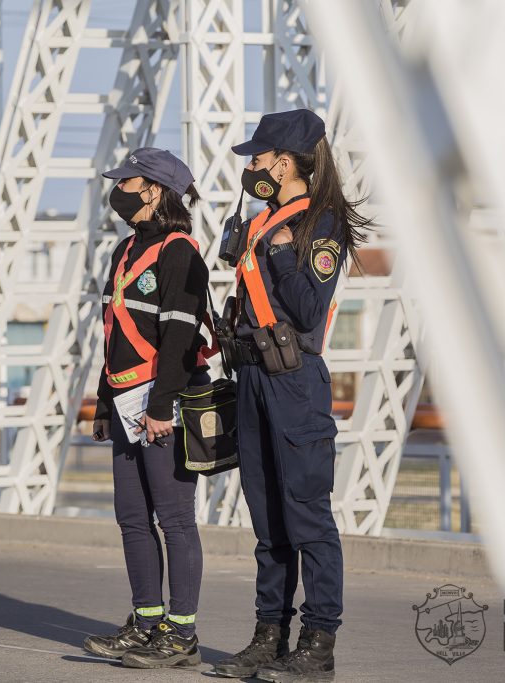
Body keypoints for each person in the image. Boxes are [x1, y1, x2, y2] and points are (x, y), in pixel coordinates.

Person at [211, 109, 371, 682]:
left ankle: (318, 642)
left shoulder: (319, 224)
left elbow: (307, 310)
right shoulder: (264, 220)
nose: (250, 167)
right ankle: (268, 636)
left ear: (284, 162)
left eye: (257, 157)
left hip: (294, 382)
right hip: (253, 376)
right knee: (268, 519)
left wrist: (281, 250)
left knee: (307, 516)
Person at [82, 148, 212, 669]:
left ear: (154, 191)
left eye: (128, 183)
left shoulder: (181, 253)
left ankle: (181, 635)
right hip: (125, 400)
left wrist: (161, 407)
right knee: (132, 518)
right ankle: (147, 623)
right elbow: (114, 331)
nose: (119, 192)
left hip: (164, 406)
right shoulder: (126, 250)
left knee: (175, 520)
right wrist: (103, 402)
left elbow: (180, 336)